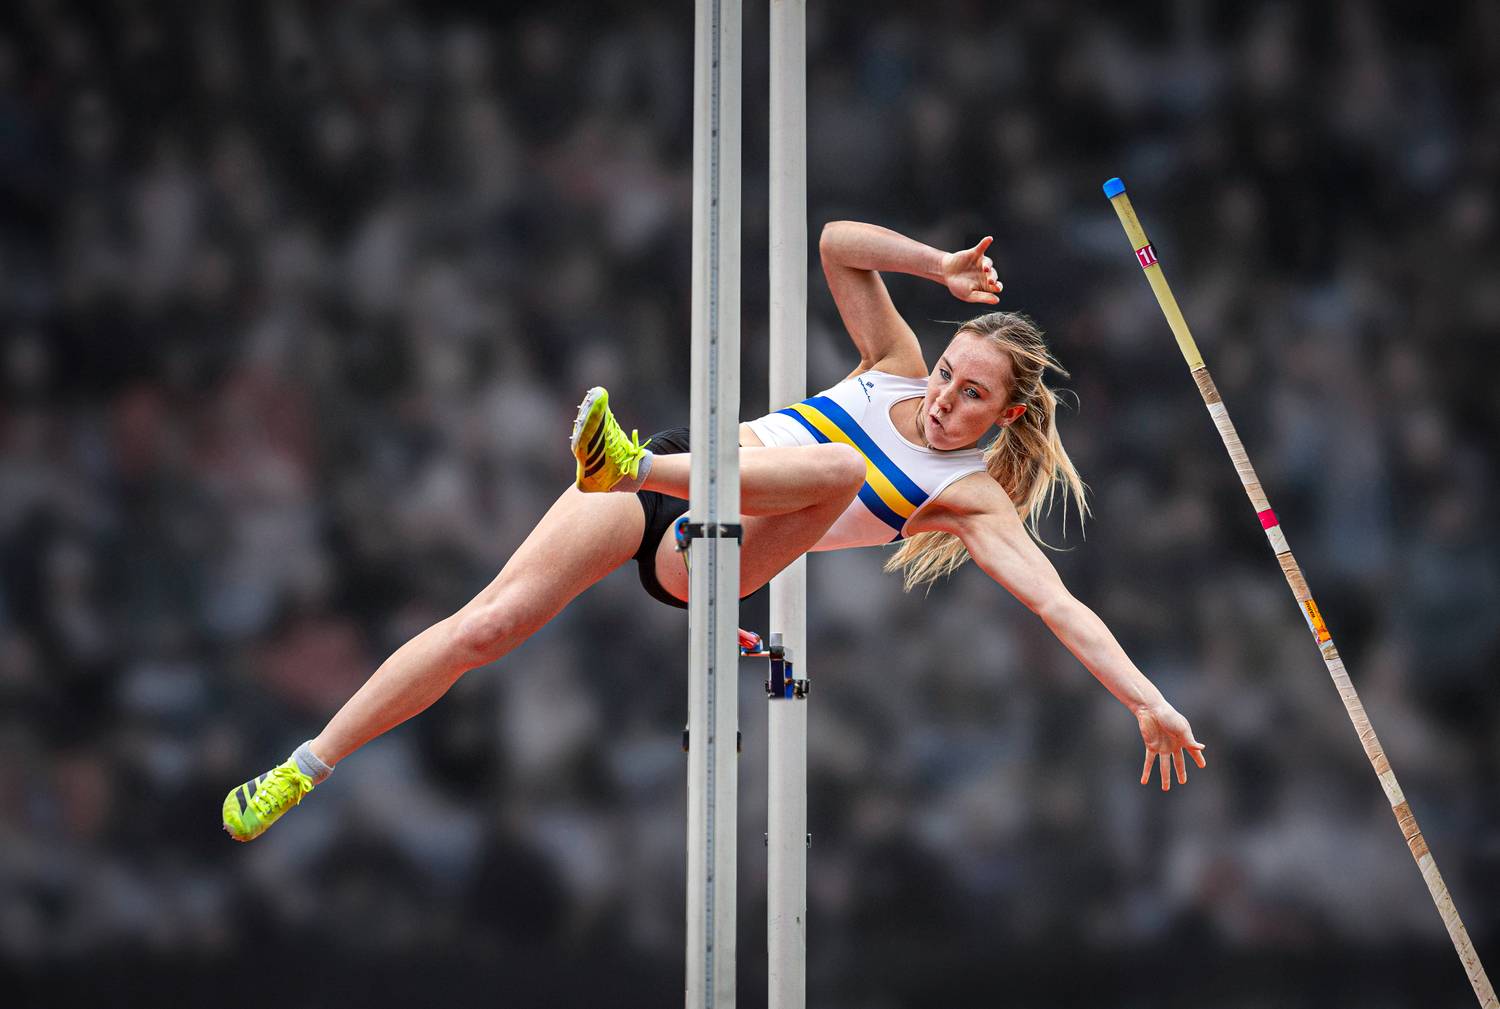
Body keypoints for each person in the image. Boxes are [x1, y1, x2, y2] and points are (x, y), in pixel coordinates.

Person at [223, 220, 1207, 842]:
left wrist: (1146, 699)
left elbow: (1057, 604)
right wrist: (938, 265)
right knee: (487, 626)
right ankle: (303, 767)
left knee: (834, 468)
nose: (947, 395)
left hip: (714, 556)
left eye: (972, 393)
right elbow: (834, 242)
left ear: (1004, 416)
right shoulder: (897, 358)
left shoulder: (968, 492)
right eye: (951, 372)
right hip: (669, 476)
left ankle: (632, 466)